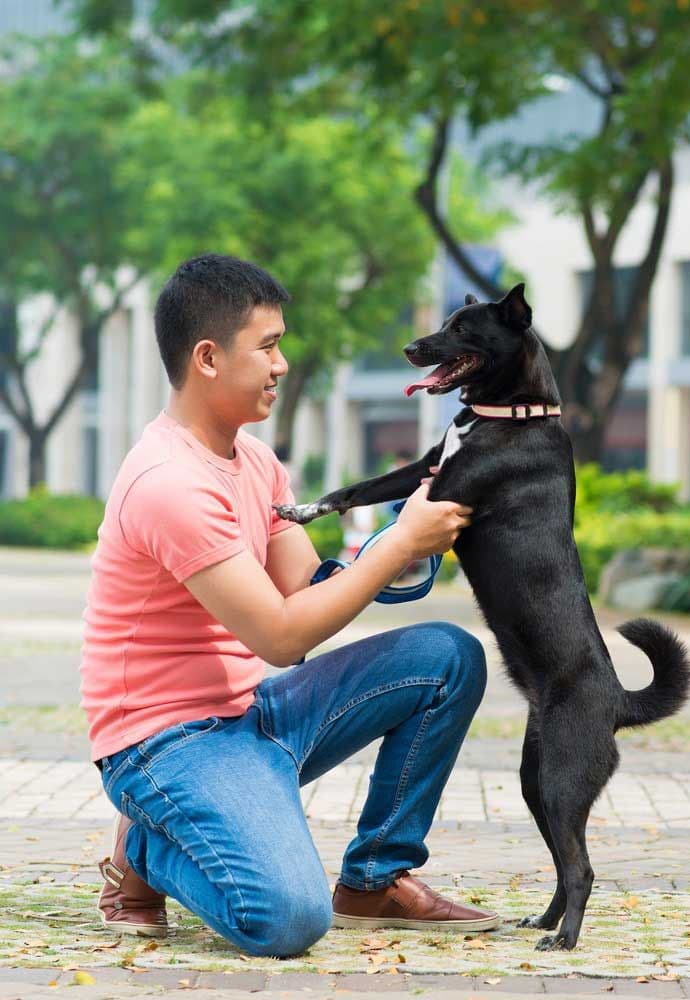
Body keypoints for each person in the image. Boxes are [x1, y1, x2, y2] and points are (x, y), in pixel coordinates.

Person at [79, 254, 497, 958]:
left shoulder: (257, 462)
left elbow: (306, 591)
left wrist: (420, 528)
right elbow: (278, 635)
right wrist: (396, 545)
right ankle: (146, 847)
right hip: (165, 744)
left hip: (253, 714)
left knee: (446, 657)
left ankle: (374, 877)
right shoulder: (167, 482)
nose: (281, 363)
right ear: (208, 358)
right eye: (268, 346)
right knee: (287, 921)